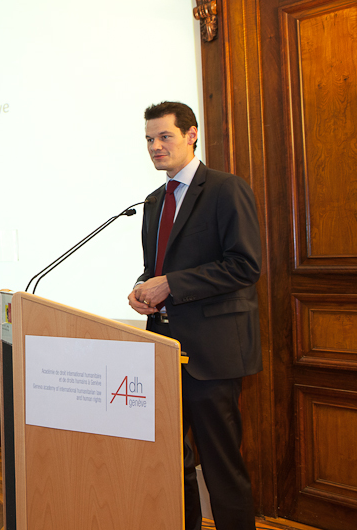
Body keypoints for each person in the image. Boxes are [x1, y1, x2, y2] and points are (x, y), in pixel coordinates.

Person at [127, 102, 262, 530]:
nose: (155, 146)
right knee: (172, 463)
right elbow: (157, 267)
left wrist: (173, 285)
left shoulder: (225, 189)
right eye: (149, 139)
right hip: (163, 352)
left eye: (164, 136)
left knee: (221, 467)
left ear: (192, 134)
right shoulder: (153, 201)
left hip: (212, 356)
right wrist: (143, 287)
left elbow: (244, 265)